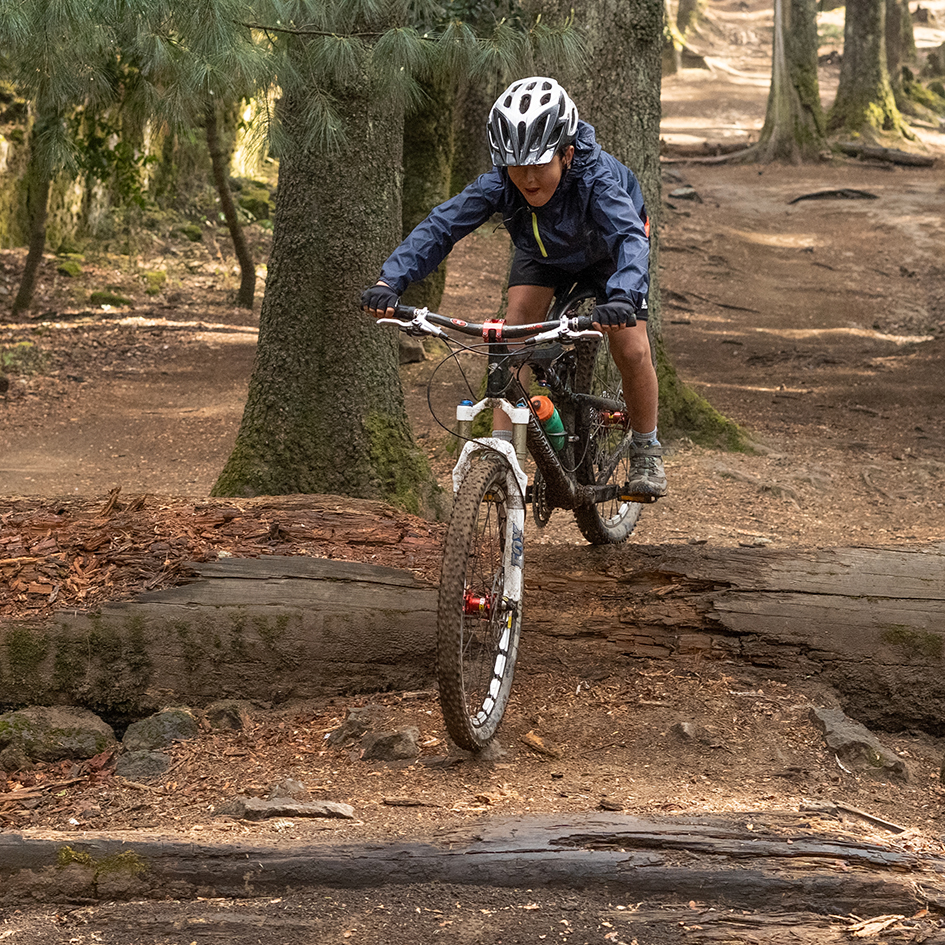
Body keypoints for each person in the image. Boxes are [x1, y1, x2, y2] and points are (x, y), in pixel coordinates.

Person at [361, 76, 666, 498]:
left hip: (609, 253)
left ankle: (646, 449)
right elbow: (442, 226)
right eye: (515, 164)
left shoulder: (598, 181)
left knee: (631, 347)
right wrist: (389, 280)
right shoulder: (503, 182)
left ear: (567, 152)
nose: (527, 178)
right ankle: (501, 454)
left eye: (539, 164)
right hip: (542, 255)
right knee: (512, 334)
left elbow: (631, 239)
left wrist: (623, 295)